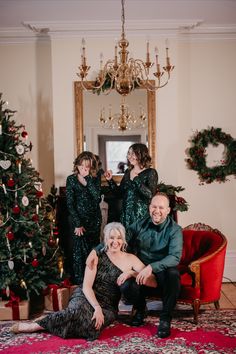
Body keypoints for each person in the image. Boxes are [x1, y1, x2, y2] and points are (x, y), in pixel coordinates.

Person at [10, 222, 157, 340]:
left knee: (92, 326)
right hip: (86, 296)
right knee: (76, 312)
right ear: (105, 239)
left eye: (118, 238)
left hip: (108, 306)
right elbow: (86, 286)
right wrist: (96, 307)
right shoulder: (96, 256)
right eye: (111, 238)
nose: (115, 242)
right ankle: (38, 325)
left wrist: (132, 273)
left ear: (123, 240)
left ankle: (55, 319)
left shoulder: (131, 259)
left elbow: (153, 282)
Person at [87, 192, 183, 338]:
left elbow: (174, 257)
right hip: (139, 268)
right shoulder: (140, 224)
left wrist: (152, 267)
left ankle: (165, 318)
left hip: (162, 269)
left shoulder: (175, 230)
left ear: (168, 210)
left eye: (161, 208)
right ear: (149, 207)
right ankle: (140, 309)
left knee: (173, 274)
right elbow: (119, 236)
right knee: (125, 284)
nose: (157, 211)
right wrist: (95, 250)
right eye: (154, 206)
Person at [66, 151, 102, 285]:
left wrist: (87, 181)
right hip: (78, 222)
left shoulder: (94, 178)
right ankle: (80, 284)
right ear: (77, 165)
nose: (83, 169)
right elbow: (70, 203)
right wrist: (77, 223)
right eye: (81, 166)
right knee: (78, 253)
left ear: (91, 167)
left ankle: (93, 283)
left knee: (92, 251)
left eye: (87, 167)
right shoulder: (71, 179)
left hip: (94, 221)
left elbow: (97, 198)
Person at [104, 143, 158, 230]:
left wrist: (136, 179)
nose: (129, 156)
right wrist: (110, 180)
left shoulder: (151, 172)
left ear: (142, 154)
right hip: (125, 217)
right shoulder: (127, 172)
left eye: (133, 153)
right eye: (129, 153)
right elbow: (119, 194)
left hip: (142, 218)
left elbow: (150, 195)